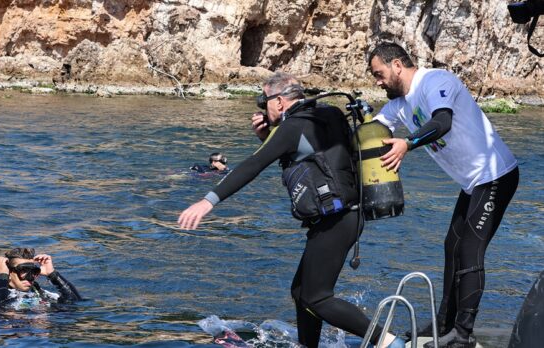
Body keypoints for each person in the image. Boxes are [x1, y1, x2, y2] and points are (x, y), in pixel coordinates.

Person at [178, 72, 405, 348]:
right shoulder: (327, 115)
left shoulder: (292, 127)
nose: (263, 108)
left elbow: (254, 164)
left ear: (280, 102)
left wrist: (207, 201)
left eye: (265, 101)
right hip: (345, 216)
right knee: (301, 292)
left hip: (336, 219)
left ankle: (390, 343)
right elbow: (310, 156)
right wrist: (267, 136)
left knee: (317, 297)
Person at [368, 42, 519, 347]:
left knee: (469, 251)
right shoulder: (399, 105)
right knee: (452, 246)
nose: (378, 81)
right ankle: (444, 324)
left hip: (496, 175)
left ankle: (462, 336)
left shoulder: (435, 81)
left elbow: (442, 122)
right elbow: (368, 132)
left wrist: (407, 143)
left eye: (379, 73)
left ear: (397, 65)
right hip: (473, 183)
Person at [0, 247, 82, 308]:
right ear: (9, 271)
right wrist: (2, 276)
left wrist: (53, 275)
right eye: (23, 270)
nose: (30, 277)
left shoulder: (39, 293)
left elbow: (74, 304)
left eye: (33, 271)